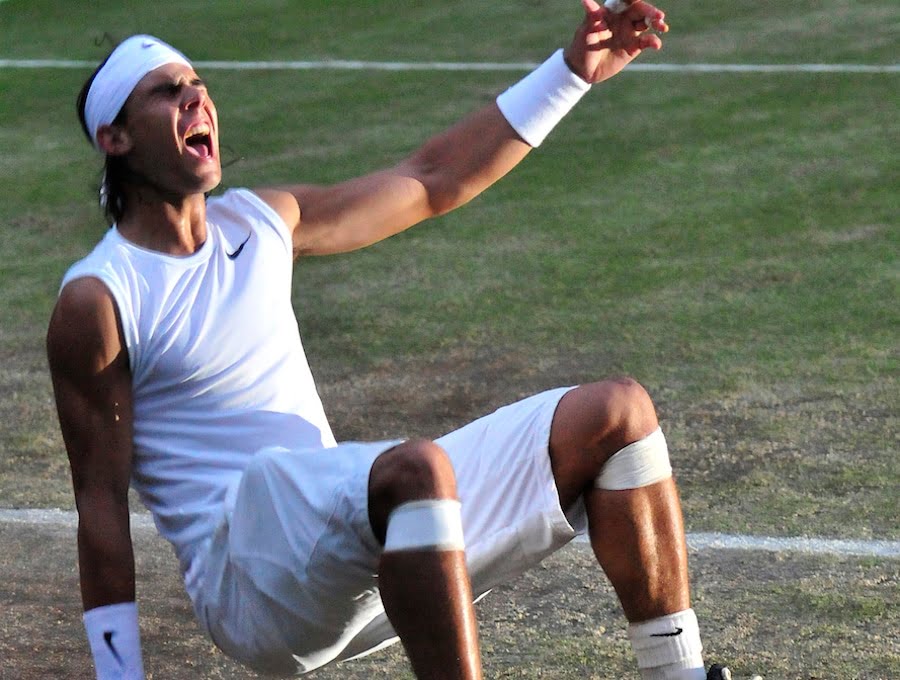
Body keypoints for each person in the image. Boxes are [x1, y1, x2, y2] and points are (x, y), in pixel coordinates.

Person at [47, 0, 741, 678]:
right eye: (167, 94)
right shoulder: (100, 297)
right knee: (412, 470)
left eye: (198, 86)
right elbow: (99, 504)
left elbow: (430, 179)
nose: (196, 101)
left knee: (618, 415)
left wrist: (572, 72)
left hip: (356, 561)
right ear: (117, 137)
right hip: (247, 585)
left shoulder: (258, 224)